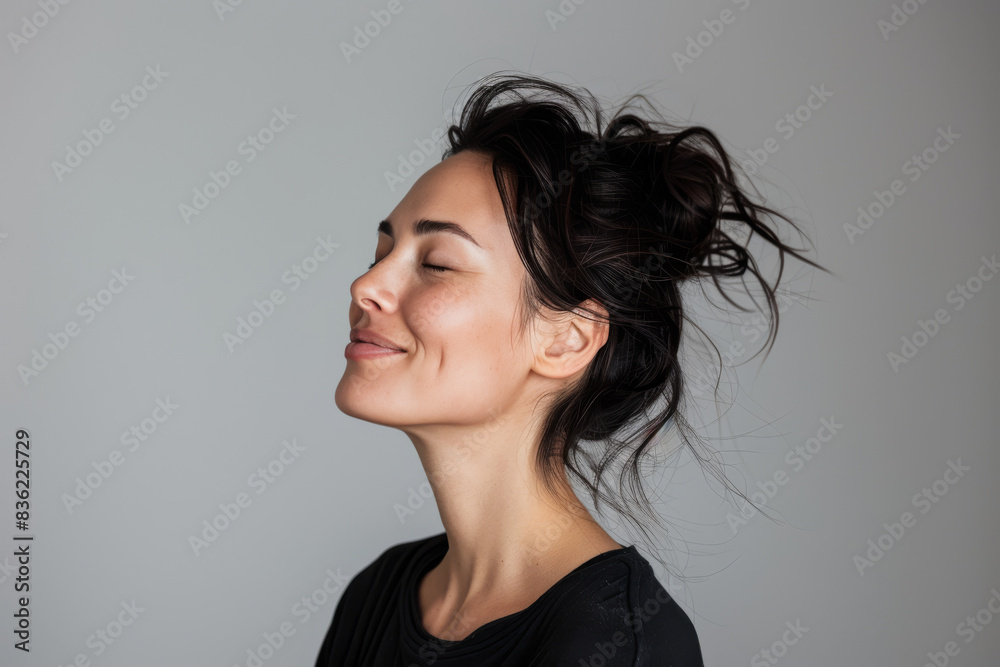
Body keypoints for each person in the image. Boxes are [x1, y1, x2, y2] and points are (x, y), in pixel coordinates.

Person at [315, 72, 827, 666]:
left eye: (437, 263)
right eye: (382, 254)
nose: (366, 286)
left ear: (565, 339)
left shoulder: (614, 643)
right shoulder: (380, 592)